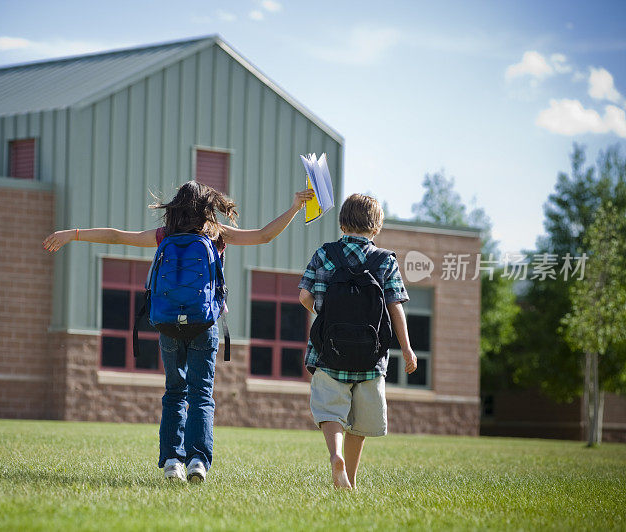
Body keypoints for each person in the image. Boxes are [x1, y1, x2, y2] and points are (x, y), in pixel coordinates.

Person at [43, 181, 313, 483]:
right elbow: (264, 236)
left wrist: (72, 234)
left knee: (174, 393)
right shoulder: (216, 234)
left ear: (176, 206)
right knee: (201, 395)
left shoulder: (164, 236)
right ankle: (198, 461)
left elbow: (117, 237)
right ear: (207, 207)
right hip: (205, 323)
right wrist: (295, 207)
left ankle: (173, 461)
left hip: (169, 324)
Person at [297, 193, 417, 489]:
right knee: (360, 423)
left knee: (330, 411)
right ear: (376, 227)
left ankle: (335, 455)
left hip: (329, 352)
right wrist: (407, 348)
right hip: (371, 357)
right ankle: (348, 477)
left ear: (342, 223)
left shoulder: (324, 254)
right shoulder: (385, 260)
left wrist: (324, 314)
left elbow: (303, 296)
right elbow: (395, 306)